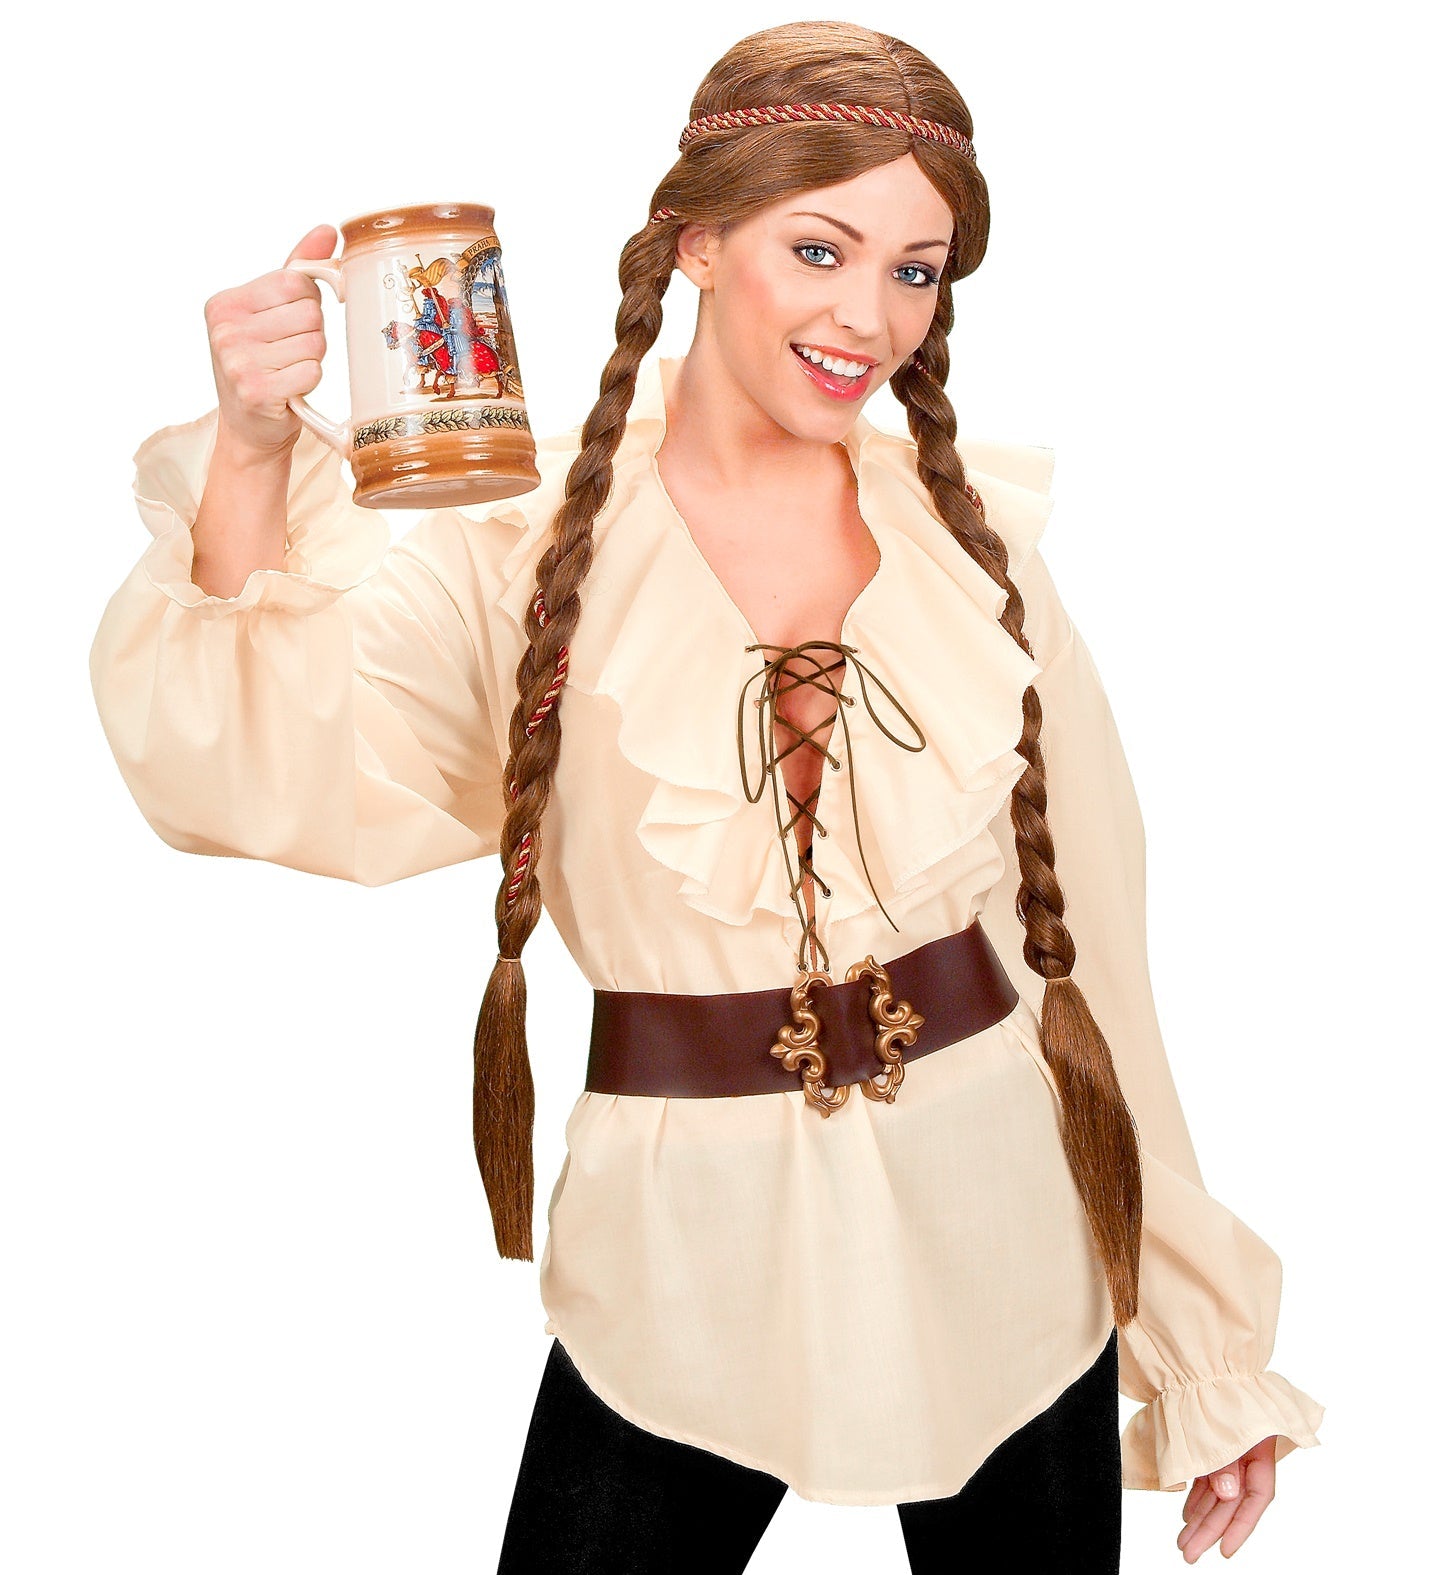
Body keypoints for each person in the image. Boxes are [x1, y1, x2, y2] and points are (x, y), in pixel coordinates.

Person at [87, 19, 1324, 1573]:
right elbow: (260, 769)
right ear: (694, 243)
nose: (867, 315)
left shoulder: (974, 545)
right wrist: (254, 452)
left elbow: (1096, 968)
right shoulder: (525, 545)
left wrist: (1203, 1348)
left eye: (914, 270)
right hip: (684, 1243)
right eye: (818, 249)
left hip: (1003, 1218)